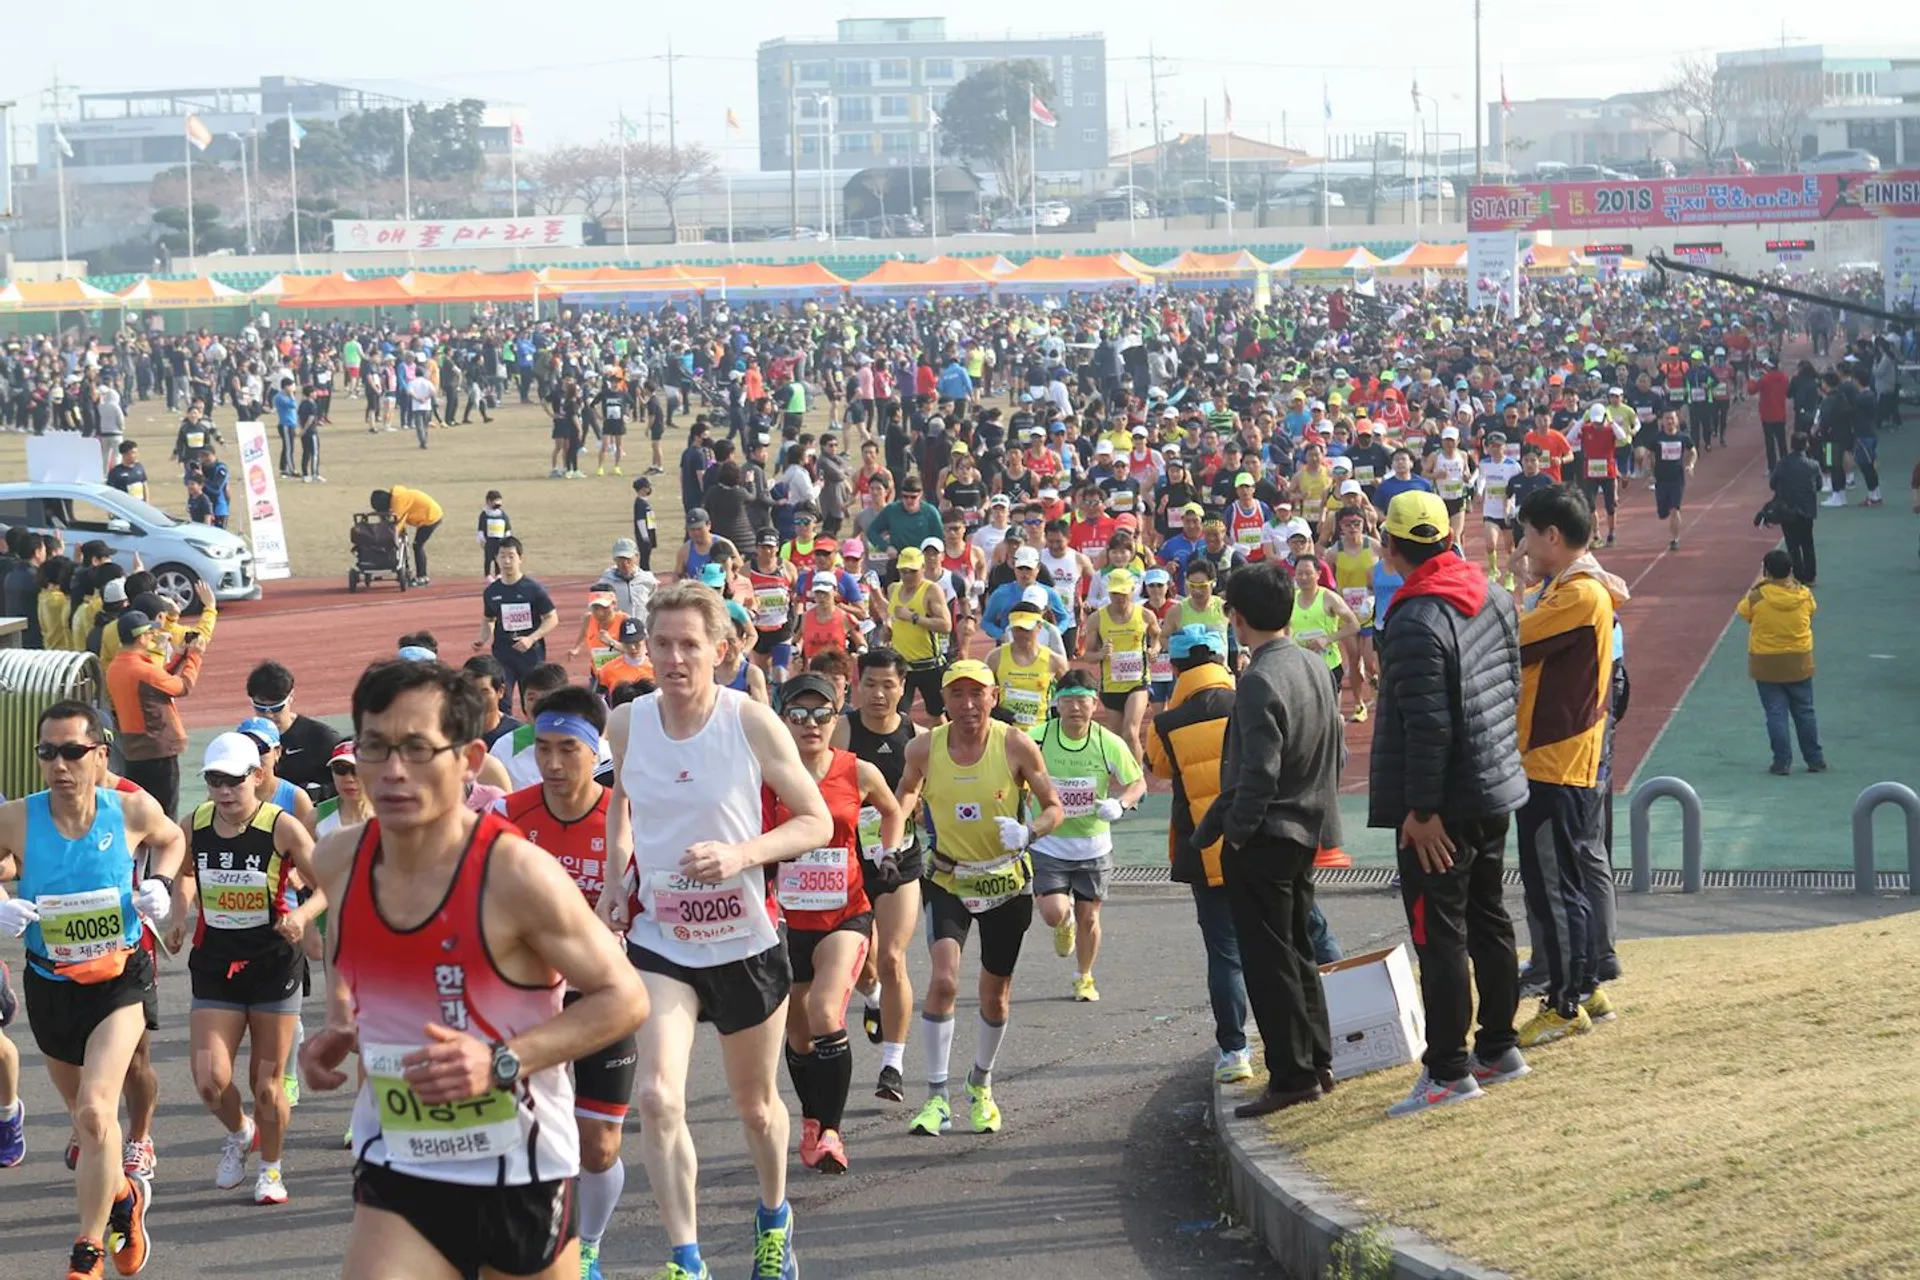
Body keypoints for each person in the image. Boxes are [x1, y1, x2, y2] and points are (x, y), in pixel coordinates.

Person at [296, 659, 651, 1280]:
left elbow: (623, 998)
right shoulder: (337, 860)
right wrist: (341, 1022)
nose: (393, 771)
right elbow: (355, 957)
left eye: (416, 748)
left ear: (467, 759)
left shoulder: (516, 874)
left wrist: (499, 1061)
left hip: (519, 1168)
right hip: (399, 1159)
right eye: (376, 747)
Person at [604, 581, 834, 1280]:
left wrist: (740, 855)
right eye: (662, 644)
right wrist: (619, 875)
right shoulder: (627, 723)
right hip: (661, 940)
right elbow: (621, 802)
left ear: (722, 650)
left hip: (745, 943)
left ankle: (772, 1218)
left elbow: (815, 821)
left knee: (757, 1108)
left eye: (689, 645)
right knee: (656, 1096)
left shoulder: (749, 721)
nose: (674, 658)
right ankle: (687, 1258)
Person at [0, 700, 186, 1280]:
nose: (59, 764)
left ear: (100, 754)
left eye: (73, 751)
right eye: (47, 752)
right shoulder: (16, 819)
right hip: (50, 982)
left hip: (118, 980)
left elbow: (173, 839)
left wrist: (158, 882)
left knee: (96, 1111)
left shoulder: (129, 808)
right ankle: (126, 1199)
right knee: (89, 1126)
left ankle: (87, 1250)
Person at [1369, 491, 1531, 1117]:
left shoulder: (1413, 620)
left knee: (1438, 933)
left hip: (1445, 802)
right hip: (1493, 783)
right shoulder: (1489, 593)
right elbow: (1510, 681)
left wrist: (1423, 810)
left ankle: (1447, 1069)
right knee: (1487, 913)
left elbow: (1427, 727)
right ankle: (1497, 1047)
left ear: (1392, 547)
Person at [1189, 559, 1343, 1118]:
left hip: (1267, 833)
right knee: (1298, 947)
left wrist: (1237, 831)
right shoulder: (1312, 663)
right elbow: (1338, 751)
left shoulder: (1257, 680)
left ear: (1237, 616)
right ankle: (1316, 1061)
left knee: (1268, 959)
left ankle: (1293, 1074)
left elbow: (1258, 774)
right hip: (1306, 826)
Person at [499, 687, 639, 1280]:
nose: (553, 765)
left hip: (603, 1002)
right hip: (527, 1005)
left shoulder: (627, 819)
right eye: (544, 750)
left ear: (596, 750)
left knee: (599, 1146)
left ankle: (589, 1246)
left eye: (568, 751)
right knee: (527, 1140)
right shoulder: (507, 816)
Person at [893, 659, 1064, 1138]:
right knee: (944, 981)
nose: (968, 705)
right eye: (957, 695)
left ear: (994, 696)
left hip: (1006, 883)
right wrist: (895, 829)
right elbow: (907, 790)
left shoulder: (1014, 743)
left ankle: (980, 1083)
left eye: (977, 694)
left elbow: (1055, 808)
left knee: (996, 995)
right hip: (948, 878)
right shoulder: (924, 746)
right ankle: (935, 1096)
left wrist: (1029, 831)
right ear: (942, 701)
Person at [164, 732, 323, 1205]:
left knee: (267, 1082)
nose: (225, 792)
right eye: (215, 781)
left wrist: (300, 916)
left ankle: (271, 1171)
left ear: (257, 776)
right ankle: (240, 1132)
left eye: (234, 781)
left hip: (273, 966)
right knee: (208, 1078)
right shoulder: (194, 824)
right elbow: (186, 872)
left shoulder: (282, 827)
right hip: (215, 964)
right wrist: (178, 916)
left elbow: (326, 885)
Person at [769, 672, 906, 1175]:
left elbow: (892, 811)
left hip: (845, 913)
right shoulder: (769, 775)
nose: (811, 725)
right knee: (799, 1034)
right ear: (784, 720)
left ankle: (831, 1132)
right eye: (799, 715)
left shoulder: (857, 771)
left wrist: (888, 854)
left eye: (821, 714)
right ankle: (811, 1119)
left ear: (835, 717)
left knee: (827, 1012)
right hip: (785, 922)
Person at [1512, 484, 1628, 1048]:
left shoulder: (1578, 595)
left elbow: (1514, 640)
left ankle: (1562, 1004)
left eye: (1528, 534)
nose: (1524, 547)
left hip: (1556, 761)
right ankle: (1584, 988)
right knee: (1567, 882)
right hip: (1562, 758)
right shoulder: (1575, 587)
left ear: (1552, 536)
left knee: (1553, 887)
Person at [1145, 625, 1253, 1081]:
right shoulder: (1247, 700)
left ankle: (1235, 1051)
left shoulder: (1167, 722)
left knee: (1224, 954)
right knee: (1289, 936)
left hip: (1203, 846)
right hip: (1258, 840)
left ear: (1175, 667)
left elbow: (1161, 766)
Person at [832, 649, 928, 1103]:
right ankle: (871, 999)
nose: (878, 694)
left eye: (888, 685)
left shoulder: (918, 737)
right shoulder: (844, 731)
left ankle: (893, 1065)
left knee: (891, 958)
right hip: (849, 863)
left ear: (903, 687)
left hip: (901, 861)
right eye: (869, 684)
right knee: (864, 964)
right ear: (857, 685)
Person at [1028, 672, 1146, 1003]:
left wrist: (1120, 805)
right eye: (1068, 701)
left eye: (1083, 701)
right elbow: (1010, 770)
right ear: (1056, 704)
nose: (1075, 708)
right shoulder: (1037, 737)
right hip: (1050, 843)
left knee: (1090, 916)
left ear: (1095, 704)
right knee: (1053, 912)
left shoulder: (1108, 742)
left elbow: (1137, 784)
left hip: (1093, 845)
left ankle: (1084, 977)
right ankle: (1062, 921)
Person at [106, 609, 205, 816]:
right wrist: (194, 656)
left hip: (133, 752)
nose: (153, 636)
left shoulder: (115, 667)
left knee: (139, 813)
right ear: (141, 638)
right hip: (159, 751)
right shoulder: (143, 670)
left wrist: (181, 655)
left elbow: (156, 679)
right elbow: (183, 686)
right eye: (150, 633)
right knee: (166, 814)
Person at [1737, 550, 1825, 776]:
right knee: (1805, 711)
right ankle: (1815, 759)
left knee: (1776, 713)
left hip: (1767, 662)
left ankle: (1782, 761)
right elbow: (1812, 612)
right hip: (1799, 659)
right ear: (1791, 570)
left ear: (1766, 571)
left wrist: (1759, 583)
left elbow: (1744, 613)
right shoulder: (1804, 595)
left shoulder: (1757, 597)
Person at [1078, 569, 1158, 764]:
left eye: (1123, 593)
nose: (1119, 597)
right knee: (1116, 740)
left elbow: (1158, 637)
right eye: (1114, 593)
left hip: (1138, 682)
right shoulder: (1097, 618)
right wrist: (1101, 654)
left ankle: (1138, 781)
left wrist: (1154, 650)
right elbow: (1087, 655)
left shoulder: (1145, 615)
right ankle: (1122, 777)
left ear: (1132, 590)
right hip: (1111, 685)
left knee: (1130, 732)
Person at [473, 538, 559, 710]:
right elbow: (489, 619)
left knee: (534, 701)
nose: (506, 561)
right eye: (502, 556)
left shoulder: (534, 589)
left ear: (520, 558)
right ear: (496, 559)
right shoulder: (491, 592)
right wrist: (482, 638)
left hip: (531, 655)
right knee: (502, 701)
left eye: (511, 556)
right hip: (503, 654)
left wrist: (531, 638)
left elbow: (552, 618)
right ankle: (505, 735)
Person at [244, 661, 343, 804]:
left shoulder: (320, 738)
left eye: (276, 708)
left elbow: (352, 780)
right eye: (260, 708)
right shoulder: (247, 740)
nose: (269, 715)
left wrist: (321, 792)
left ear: (291, 696)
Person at [884, 546, 952, 719]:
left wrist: (913, 618)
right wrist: (887, 632)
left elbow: (946, 625)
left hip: (929, 665)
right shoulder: (893, 589)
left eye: (912, 571)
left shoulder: (931, 590)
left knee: (937, 714)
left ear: (922, 568)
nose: (907, 576)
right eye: (903, 571)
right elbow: (892, 622)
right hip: (902, 665)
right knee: (897, 715)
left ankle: (940, 745)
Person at [1632, 408, 1696, 552]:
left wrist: (1690, 465)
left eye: (1672, 418)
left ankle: (1675, 539)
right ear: (1662, 422)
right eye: (1666, 419)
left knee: (1675, 508)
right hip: (1661, 479)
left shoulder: (1683, 437)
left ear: (1677, 420)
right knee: (1663, 512)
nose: (1669, 421)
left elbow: (1693, 451)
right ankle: (1665, 512)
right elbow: (1648, 454)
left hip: (1677, 479)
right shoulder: (1657, 438)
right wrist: (1649, 472)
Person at [1768, 432, 1823, 586]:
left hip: (1787, 509)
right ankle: (1810, 576)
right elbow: (1819, 485)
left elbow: (1773, 483)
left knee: (1793, 545)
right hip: (1807, 510)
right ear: (1806, 445)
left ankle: (1798, 576)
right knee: (1807, 544)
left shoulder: (1782, 463)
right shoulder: (1813, 465)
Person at [369, 486, 444, 584]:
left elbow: (396, 525)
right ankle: (408, 570)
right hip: (429, 513)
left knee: (417, 546)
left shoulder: (399, 502)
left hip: (431, 517)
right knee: (405, 540)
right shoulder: (397, 497)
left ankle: (422, 576)